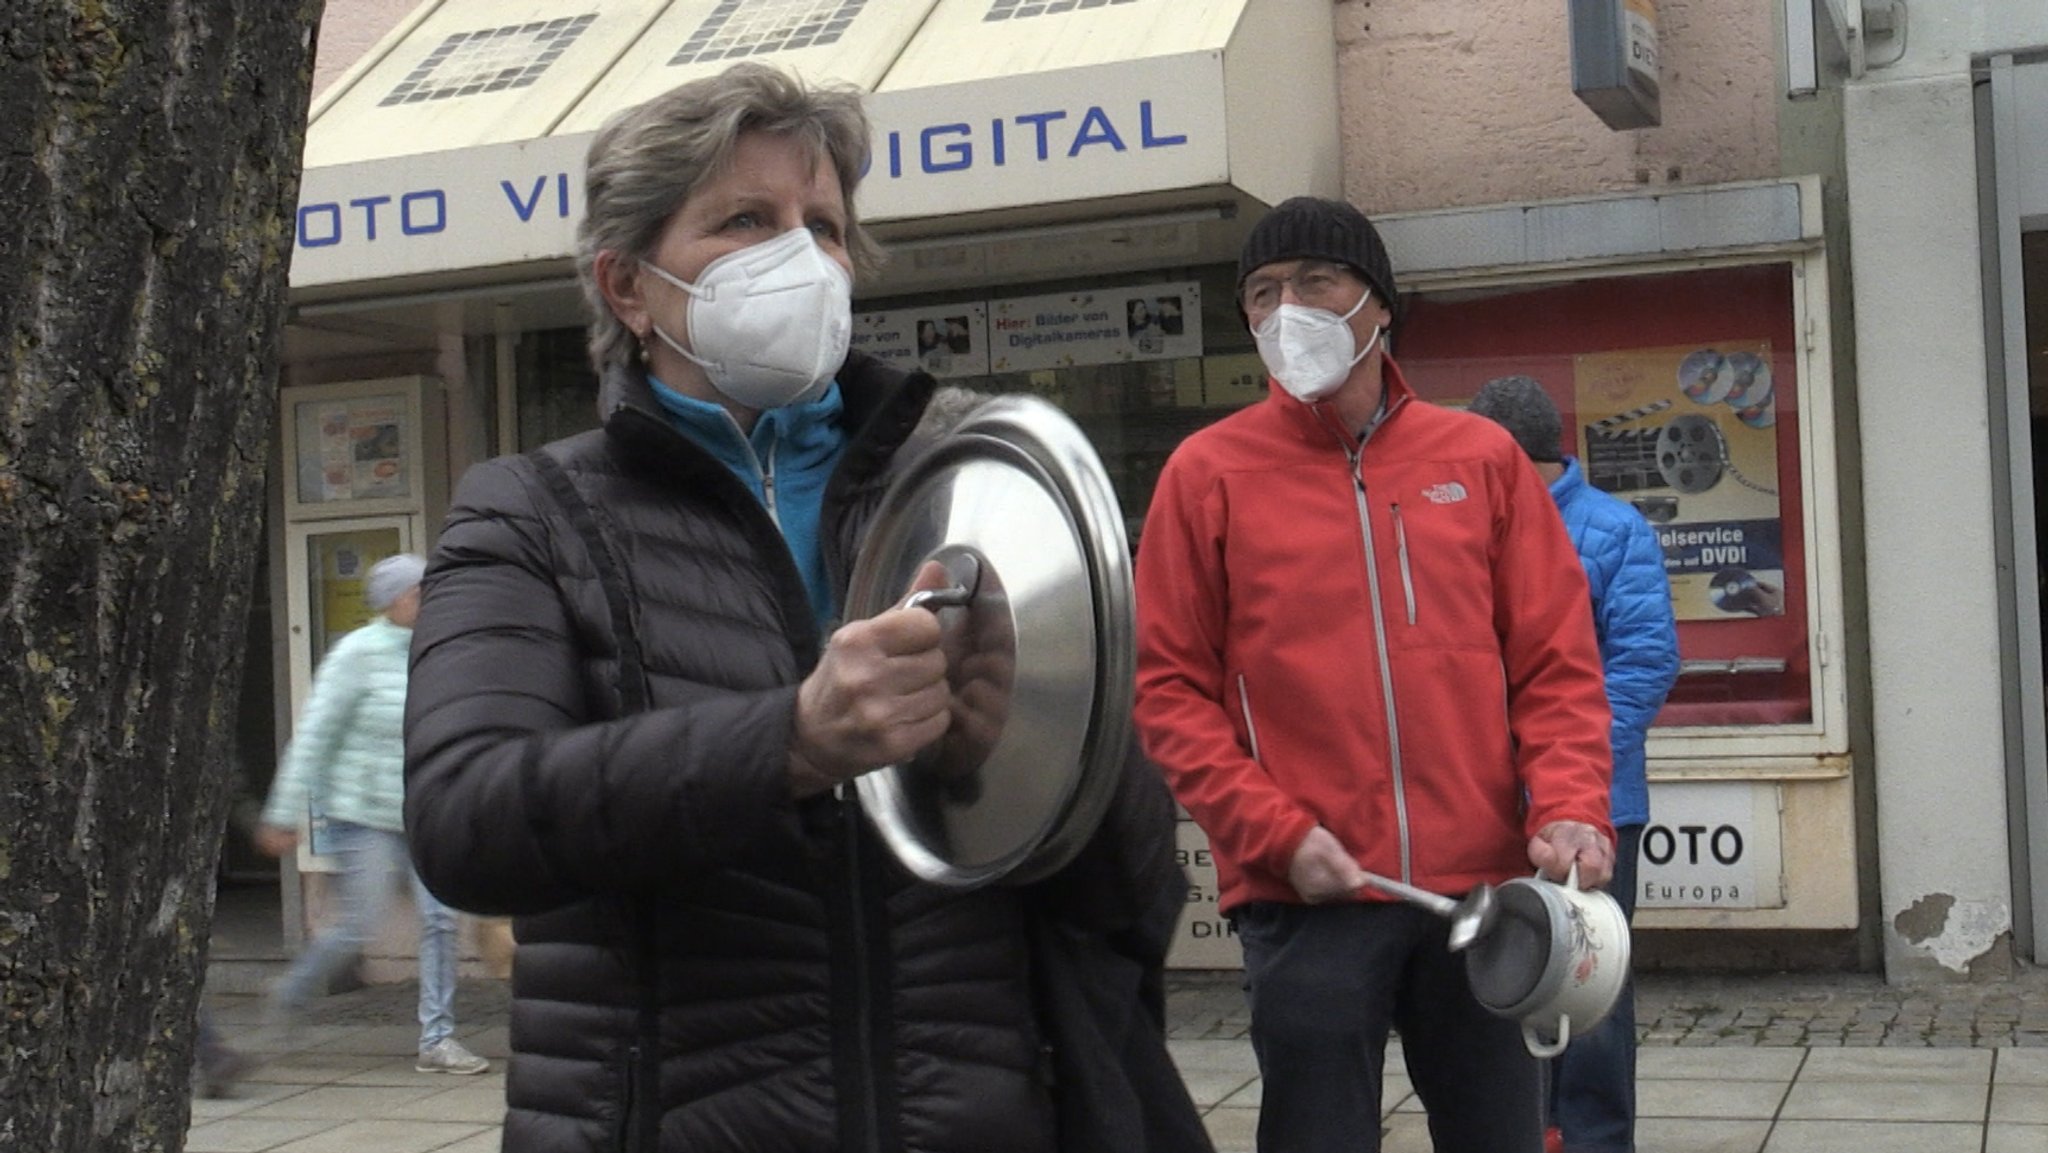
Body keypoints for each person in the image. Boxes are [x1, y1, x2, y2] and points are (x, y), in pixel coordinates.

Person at [401, 63, 1206, 1153]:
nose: (803, 258)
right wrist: (792, 740)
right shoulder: (531, 513)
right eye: (744, 220)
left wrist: (1028, 753)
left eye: (822, 225)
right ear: (627, 286)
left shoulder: (963, 489)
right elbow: (467, 818)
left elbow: (1130, 886)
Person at [1132, 196, 1616, 1153]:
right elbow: (1168, 692)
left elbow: (1554, 661)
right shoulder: (1206, 474)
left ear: (1380, 306)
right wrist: (1273, 833)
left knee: (1500, 1137)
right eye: (1263, 293)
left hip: (1481, 894)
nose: (1288, 310)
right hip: (1307, 893)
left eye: (1318, 282)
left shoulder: (1480, 461)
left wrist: (1569, 803)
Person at [1470, 375, 1682, 1153]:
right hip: (1486, 812)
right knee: (1501, 981)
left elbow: (1644, 662)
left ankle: (1595, 1141)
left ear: (1524, 458)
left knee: (1590, 994)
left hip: (1593, 811)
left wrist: (1563, 771)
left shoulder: (1612, 529)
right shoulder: (1467, 525)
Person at [255, 553, 489, 1076]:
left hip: (422, 812)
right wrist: (283, 812)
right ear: (393, 600)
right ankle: (292, 991)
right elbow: (315, 735)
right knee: (360, 924)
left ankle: (438, 1039)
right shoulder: (355, 654)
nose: (427, 600)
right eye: (418, 592)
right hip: (360, 814)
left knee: (440, 919)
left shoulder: (438, 652)